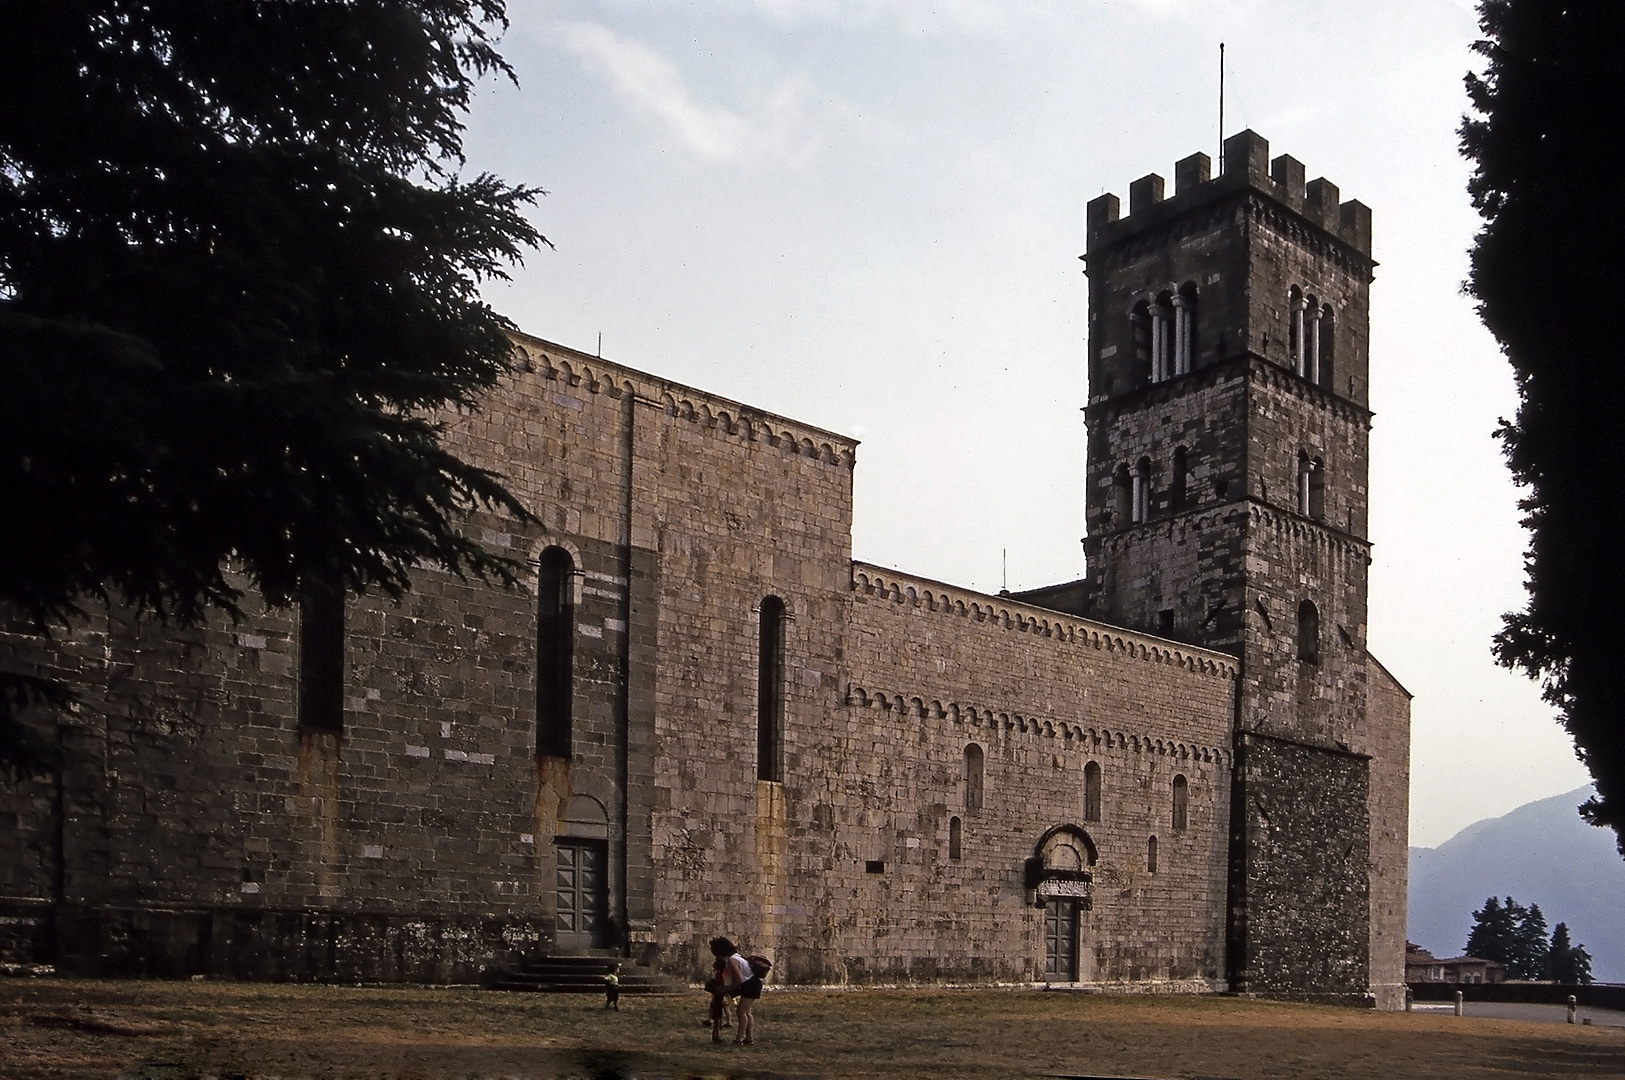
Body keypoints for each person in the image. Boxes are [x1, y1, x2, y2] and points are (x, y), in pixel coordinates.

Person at [709, 936, 761, 1045]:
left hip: (751, 985)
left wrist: (726, 989)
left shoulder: (732, 960)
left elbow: (739, 980)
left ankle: (739, 1039)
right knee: (747, 1012)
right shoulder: (735, 956)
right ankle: (749, 1038)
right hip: (753, 984)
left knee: (741, 1012)